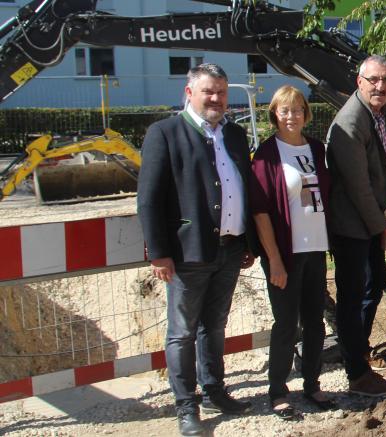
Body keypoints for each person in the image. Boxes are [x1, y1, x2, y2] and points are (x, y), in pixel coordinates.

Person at [137, 63, 256, 436]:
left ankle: (214, 390)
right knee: (182, 332)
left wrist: (248, 241)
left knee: (215, 326)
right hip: (188, 253)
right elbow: (149, 199)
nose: (217, 98)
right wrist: (159, 252)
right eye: (209, 91)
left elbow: (245, 188)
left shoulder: (234, 135)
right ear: (188, 93)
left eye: (221, 91)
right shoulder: (165, 133)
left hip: (231, 249)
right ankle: (186, 406)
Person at [249, 85, 337, 419]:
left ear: (306, 113)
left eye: (298, 109)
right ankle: (278, 390)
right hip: (285, 253)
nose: (292, 116)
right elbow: (260, 212)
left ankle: (312, 384)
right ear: (275, 114)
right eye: (285, 110)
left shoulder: (316, 148)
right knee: (287, 323)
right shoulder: (267, 155)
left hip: (315, 249)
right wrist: (273, 258)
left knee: (315, 322)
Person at [325, 55, 386, 397]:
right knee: (353, 296)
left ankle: (360, 352)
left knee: (372, 290)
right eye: (374, 80)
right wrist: (383, 228)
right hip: (352, 226)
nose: (381, 86)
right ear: (360, 81)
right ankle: (356, 374)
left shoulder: (383, 113)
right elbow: (358, 187)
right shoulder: (351, 123)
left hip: (369, 220)